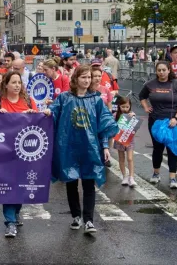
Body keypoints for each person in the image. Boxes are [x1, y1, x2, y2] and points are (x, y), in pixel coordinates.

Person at [44, 65, 118, 234]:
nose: (87, 80)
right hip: (68, 146)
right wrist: (48, 111)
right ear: (75, 79)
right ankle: (76, 216)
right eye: (83, 77)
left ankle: (89, 220)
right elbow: (53, 113)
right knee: (71, 182)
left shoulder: (97, 100)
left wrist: (105, 146)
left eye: (89, 77)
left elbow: (103, 125)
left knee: (88, 183)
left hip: (89, 148)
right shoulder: (64, 98)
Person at [0, 71, 38, 238]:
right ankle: (9, 222)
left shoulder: (28, 101)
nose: (17, 85)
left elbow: (39, 123)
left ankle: (16, 211)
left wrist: (36, 115)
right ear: (6, 85)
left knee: (21, 185)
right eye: (14, 82)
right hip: (5, 153)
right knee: (8, 186)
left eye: (19, 82)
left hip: (25, 153)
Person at [139, 61, 177, 188]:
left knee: (172, 149)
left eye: (164, 70)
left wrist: (176, 117)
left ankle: (173, 178)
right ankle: (156, 173)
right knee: (158, 148)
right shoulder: (150, 84)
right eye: (159, 70)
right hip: (156, 121)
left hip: (174, 121)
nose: (161, 72)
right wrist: (146, 107)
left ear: (169, 70)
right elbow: (141, 96)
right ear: (156, 71)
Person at [114, 96, 137, 187]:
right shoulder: (116, 115)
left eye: (127, 107)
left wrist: (133, 117)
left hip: (129, 139)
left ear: (130, 106)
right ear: (119, 106)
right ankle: (124, 177)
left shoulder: (132, 114)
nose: (125, 109)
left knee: (130, 158)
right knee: (121, 158)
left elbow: (135, 126)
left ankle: (131, 177)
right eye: (123, 107)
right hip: (119, 139)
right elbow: (113, 126)